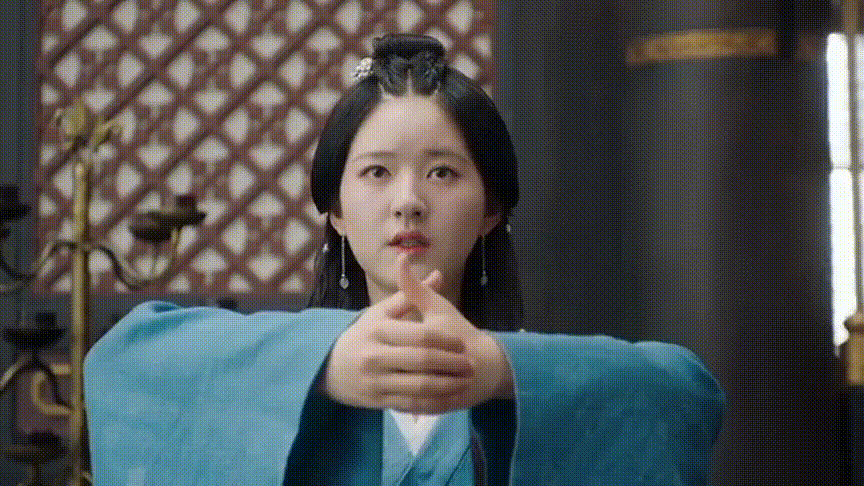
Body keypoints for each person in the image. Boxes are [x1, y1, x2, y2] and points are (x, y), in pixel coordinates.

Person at [83, 34, 725, 485]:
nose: (409, 202)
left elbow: (687, 394)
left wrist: (503, 371)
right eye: (377, 172)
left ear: (492, 209)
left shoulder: (526, 378)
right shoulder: (285, 371)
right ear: (335, 210)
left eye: (443, 172)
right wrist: (325, 365)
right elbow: (120, 362)